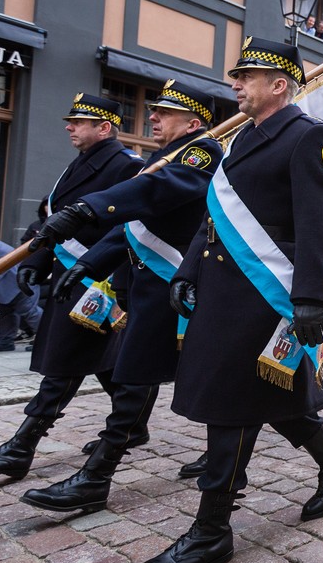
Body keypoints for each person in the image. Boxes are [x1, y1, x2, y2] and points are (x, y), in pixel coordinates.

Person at [123, 37, 323, 563]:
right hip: (224, 293)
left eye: (246, 76)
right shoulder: (241, 140)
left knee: (230, 408)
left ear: (279, 85)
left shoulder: (308, 137)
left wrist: (310, 299)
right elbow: (214, 218)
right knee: (265, 393)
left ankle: (211, 531)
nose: (234, 83)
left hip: (265, 295)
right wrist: (187, 272)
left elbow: (319, 222)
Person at [15, 79, 222, 513]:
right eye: (155, 111)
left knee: (172, 376)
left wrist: (87, 208)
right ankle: (97, 475)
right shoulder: (162, 156)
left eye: (165, 113)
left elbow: (153, 193)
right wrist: (87, 264)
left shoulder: (203, 154)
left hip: (180, 285)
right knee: (139, 375)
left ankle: (97, 474)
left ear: (193, 123)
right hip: (147, 286)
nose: (153, 116)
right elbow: (131, 228)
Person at [0, 94, 151, 479]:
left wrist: (104, 276)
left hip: (99, 282)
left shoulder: (128, 167)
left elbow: (127, 230)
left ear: (105, 128)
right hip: (69, 277)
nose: (69, 126)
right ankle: (133, 425)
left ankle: (20, 447)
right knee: (94, 361)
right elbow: (53, 222)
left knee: (66, 362)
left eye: (79, 121)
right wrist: (35, 260)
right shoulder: (77, 165)